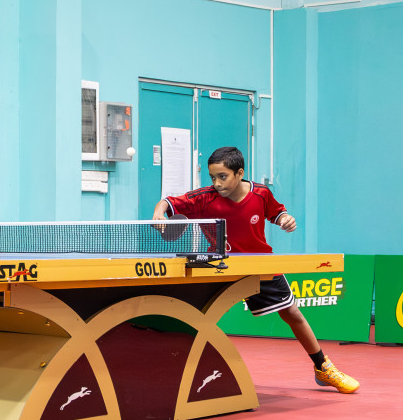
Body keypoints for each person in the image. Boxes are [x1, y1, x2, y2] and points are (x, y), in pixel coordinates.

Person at [153, 146, 361, 394]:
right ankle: (180, 371)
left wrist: (285, 219)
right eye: (213, 177)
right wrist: (158, 215)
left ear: (239, 173)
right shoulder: (204, 197)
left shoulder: (260, 194)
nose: (217, 183)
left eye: (222, 176)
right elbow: (167, 203)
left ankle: (322, 367)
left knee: (292, 313)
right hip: (220, 267)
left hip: (259, 264)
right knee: (198, 317)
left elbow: (277, 213)